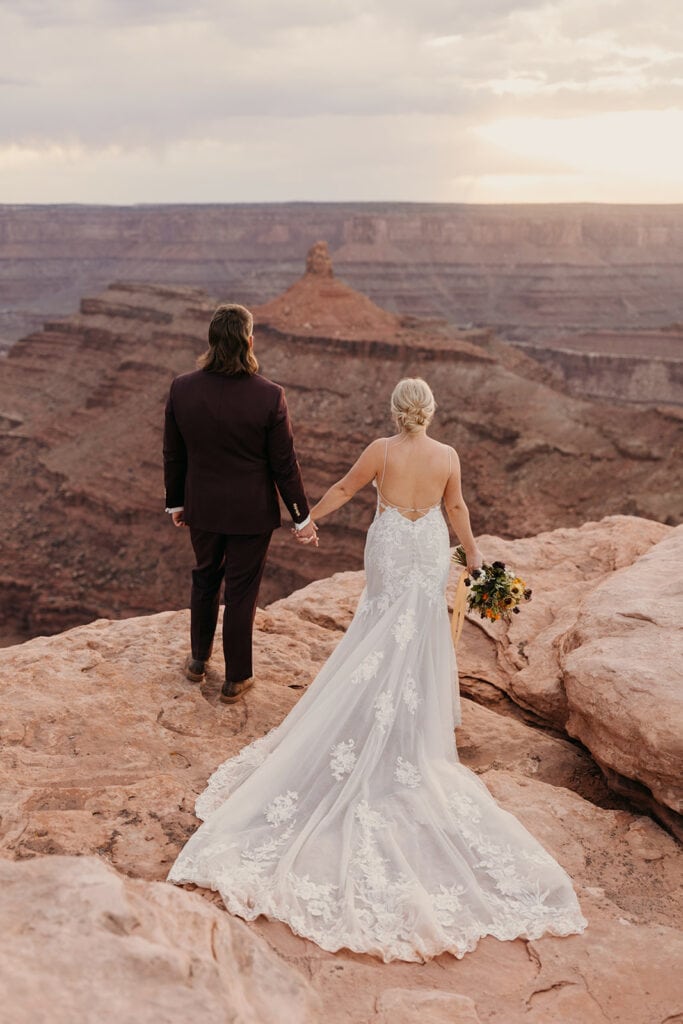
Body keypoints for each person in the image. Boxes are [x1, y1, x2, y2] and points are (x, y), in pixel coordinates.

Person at [167, 377, 588, 962]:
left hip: (391, 543)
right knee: (415, 626)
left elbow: (344, 487)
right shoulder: (447, 456)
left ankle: (363, 710)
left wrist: (307, 520)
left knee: (382, 620)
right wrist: (472, 558)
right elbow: (457, 507)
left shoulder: (381, 451)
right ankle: (408, 723)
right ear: (431, 411)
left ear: (395, 411)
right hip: (427, 548)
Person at [163, 303, 318, 704]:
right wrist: (301, 518)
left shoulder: (182, 388)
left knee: (204, 577)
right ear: (249, 341)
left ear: (212, 342)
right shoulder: (269, 397)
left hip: (203, 507)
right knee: (241, 592)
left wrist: (176, 503)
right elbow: (285, 465)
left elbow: (174, 454)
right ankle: (236, 678)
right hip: (251, 513)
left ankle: (198, 661)